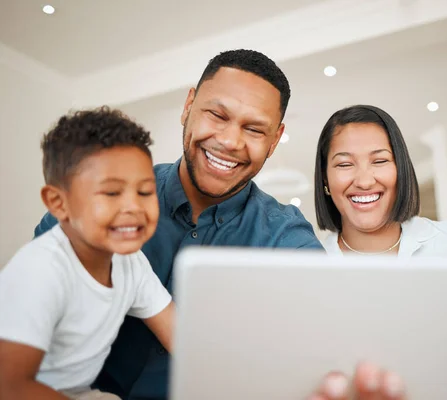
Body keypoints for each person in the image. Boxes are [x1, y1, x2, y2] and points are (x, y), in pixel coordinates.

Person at [33, 49, 323, 399]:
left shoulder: (285, 239)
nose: (230, 141)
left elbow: (313, 349)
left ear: (274, 140)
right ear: (188, 107)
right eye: (217, 114)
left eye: (254, 129)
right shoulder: (101, 200)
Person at [0, 108, 174, 400]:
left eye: (145, 192)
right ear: (58, 203)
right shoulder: (39, 271)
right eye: (111, 193)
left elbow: (179, 334)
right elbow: (9, 386)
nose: (134, 207)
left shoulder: (131, 263)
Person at [314, 104, 447, 265]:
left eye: (380, 161)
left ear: (401, 168)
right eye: (345, 164)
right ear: (325, 178)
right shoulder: (314, 262)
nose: (364, 182)